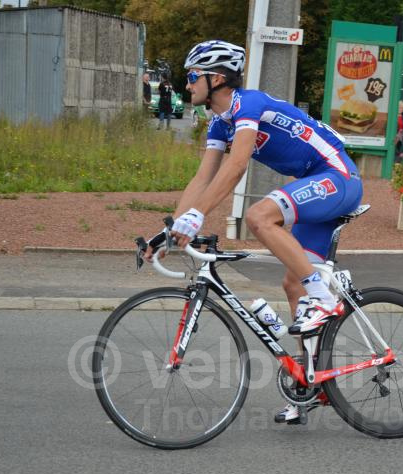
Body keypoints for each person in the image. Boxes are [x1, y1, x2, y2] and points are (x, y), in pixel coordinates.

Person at [143, 40, 363, 423]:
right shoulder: (218, 123)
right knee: (293, 286)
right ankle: (308, 385)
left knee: (261, 216)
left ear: (217, 79)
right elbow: (202, 179)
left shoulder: (248, 104)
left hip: (338, 178)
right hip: (314, 185)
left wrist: (197, 217)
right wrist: (166, 232)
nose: (187, 83)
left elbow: (239, 165)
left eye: (193, 76)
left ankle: (324, 298)